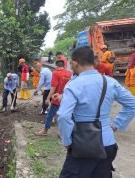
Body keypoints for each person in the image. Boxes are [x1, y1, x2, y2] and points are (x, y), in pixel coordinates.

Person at [57, 46, 135, 178]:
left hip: (83, 145)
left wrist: (67, 141)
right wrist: (117, 124)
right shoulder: (109, 82)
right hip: (108, 144)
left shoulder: (73, 85)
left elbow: (63, 116)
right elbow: (132, 104)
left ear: (75, 63)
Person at [36, 60, 71, 136]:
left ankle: (45, 131)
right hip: (67, 98)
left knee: (50, 114)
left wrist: (48, 98)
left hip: (57, 98)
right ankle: (62, 133)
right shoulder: (69, 73)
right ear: (64, 65)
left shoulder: (55, 73)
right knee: (64, 115)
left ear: (56, 66)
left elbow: (53, 87)